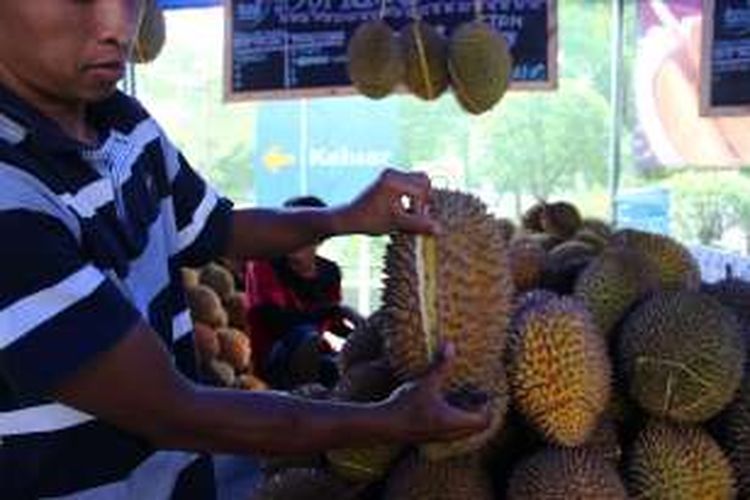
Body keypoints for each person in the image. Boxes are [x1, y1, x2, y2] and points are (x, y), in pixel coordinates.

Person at [0, 1, 490, 499]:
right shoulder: (8, 199)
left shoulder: (125, 124)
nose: (117, 26)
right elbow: (173, 410)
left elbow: (217, 228)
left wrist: (345, 217)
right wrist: (390, 420)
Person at [244, 195, 363, 389]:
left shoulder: (330, 272)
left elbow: (332, 324)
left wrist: (365, 332)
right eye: (287, 230)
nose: (292, 237)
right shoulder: (263, 264)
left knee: (341, 369)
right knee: (305, 336)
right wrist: (335, 310)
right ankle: (304, 404)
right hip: (274, 360)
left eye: (301, 231)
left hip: (316, 355)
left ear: (320, 237)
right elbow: (273, 319)